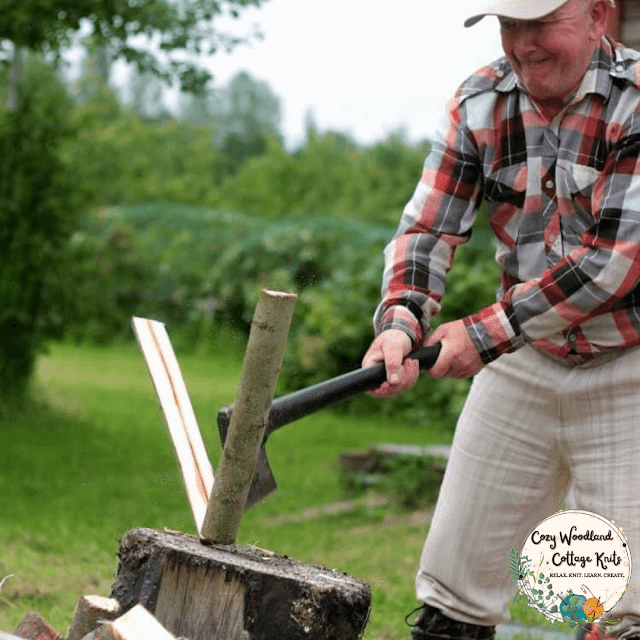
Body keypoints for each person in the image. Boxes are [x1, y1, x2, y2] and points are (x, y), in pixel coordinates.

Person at [362, 0, 640, 639]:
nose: (524, 45)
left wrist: (480, 334)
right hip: (526, 358)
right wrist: (401, 321)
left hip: (628, 364)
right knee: (451, 591)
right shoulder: (481, 102)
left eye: (541, 24)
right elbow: (429, 228)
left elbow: (611, 265)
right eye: (509, 26)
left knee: (620, 612)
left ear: (600, 15)